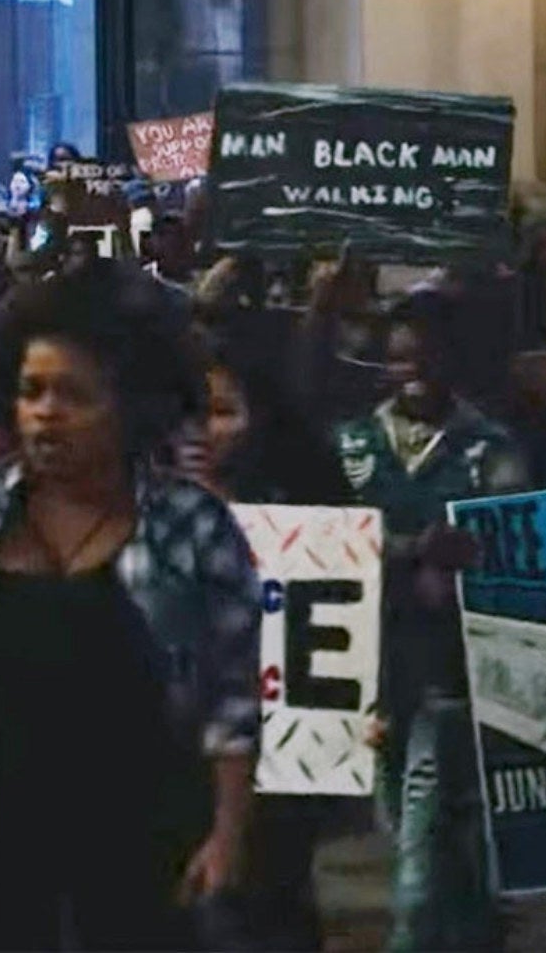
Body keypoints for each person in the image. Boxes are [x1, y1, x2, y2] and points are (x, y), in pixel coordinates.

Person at [0, 264, 259, 949]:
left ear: (134, 405)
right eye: (31, 391)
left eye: (74, 395)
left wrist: (227, 836)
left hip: (142, 858)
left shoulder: (195, 529)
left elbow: (231, 702)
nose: (45, 411)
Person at [333, 294, 528, 953]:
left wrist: (465, 557)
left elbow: (510, 542)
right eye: (398, 358)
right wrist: (412, 550)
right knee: (415, 831)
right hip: (368, 673)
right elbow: (326, 540)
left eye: (426, 355)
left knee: (418, 858)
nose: (412, 369)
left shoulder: (491, 447)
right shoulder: (351, 445)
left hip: (456, 676)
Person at [177, 332, 353, 952]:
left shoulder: (302, 516)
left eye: (221, 413)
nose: (199, 432)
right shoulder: (128, 513)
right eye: (187, 412)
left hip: (281, 779)